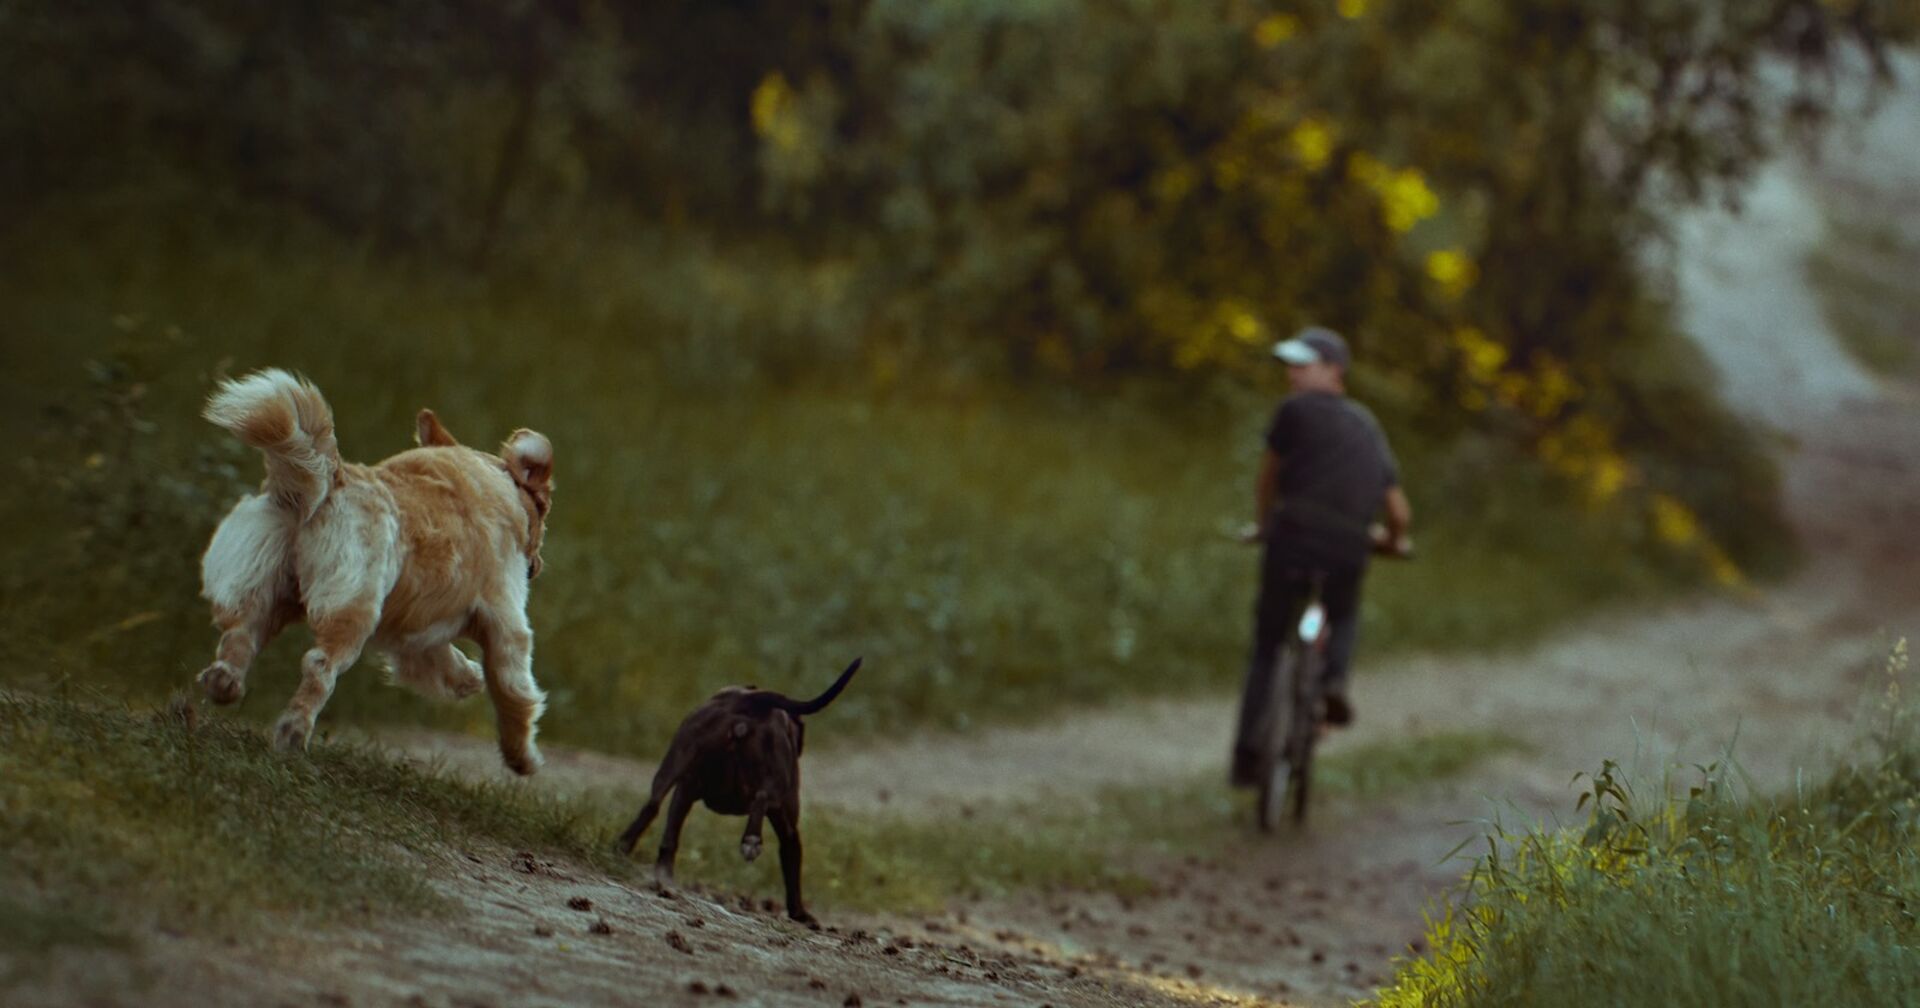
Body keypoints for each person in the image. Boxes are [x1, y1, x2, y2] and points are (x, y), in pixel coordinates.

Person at [1231, 326, 1412, 788]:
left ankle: (1248, 757)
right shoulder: (1368, 426)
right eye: (1290, 366)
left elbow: (1268, 479)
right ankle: (1333, 682)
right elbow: (1398, 511)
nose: (1292, 374)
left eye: (1303, 365)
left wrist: (1263, 524)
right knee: (1343, 613)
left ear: (1334, 371)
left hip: (1290, 536)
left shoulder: (1294, 410)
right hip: (1349, 545)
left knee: (1269, 644)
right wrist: (1393, 542)